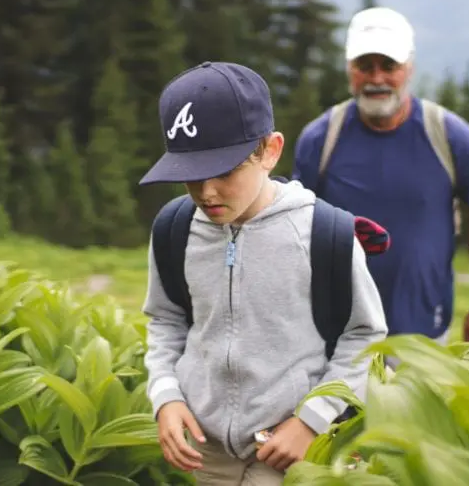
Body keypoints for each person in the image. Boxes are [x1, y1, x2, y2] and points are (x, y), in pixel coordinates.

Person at [138, 61, 388, 485]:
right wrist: (165, 396)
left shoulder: (325, 234)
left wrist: (312, 421)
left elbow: (363, 337)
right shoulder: (174, 229)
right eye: (191, 176)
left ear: (270, 150)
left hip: (291, 452)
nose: (206, 192)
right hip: (206, 452)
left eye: (223, 171)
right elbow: (166, 321)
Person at [292, 7, 469, 350]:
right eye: (365, 66)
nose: (377, 78)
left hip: (422, 333)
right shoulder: (320, 138)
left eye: (389, 66)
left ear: (409, 68)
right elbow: (296, 226)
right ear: (350, 69)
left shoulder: (450, 136)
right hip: (337, 335)